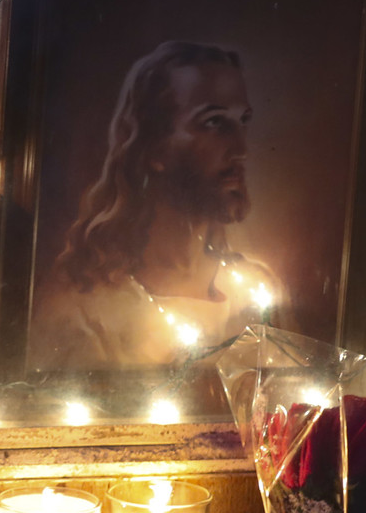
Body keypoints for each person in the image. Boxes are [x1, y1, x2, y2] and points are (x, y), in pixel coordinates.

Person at [29, 40, 279, 373]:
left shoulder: (256, 289)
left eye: (243, 120)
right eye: (214, 122)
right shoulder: (85, 311)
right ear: (153, 146)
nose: (240, 150)